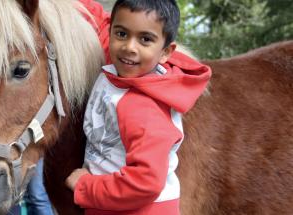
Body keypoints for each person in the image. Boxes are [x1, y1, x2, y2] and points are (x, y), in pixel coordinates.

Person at [65, 0, 211, 214]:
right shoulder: (120, 72)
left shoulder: (143, 107)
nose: (129, 47)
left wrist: (85, 186)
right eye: (122, 34)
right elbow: (95, 18)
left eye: (145, 39)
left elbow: (145, 183)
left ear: (166, 52)